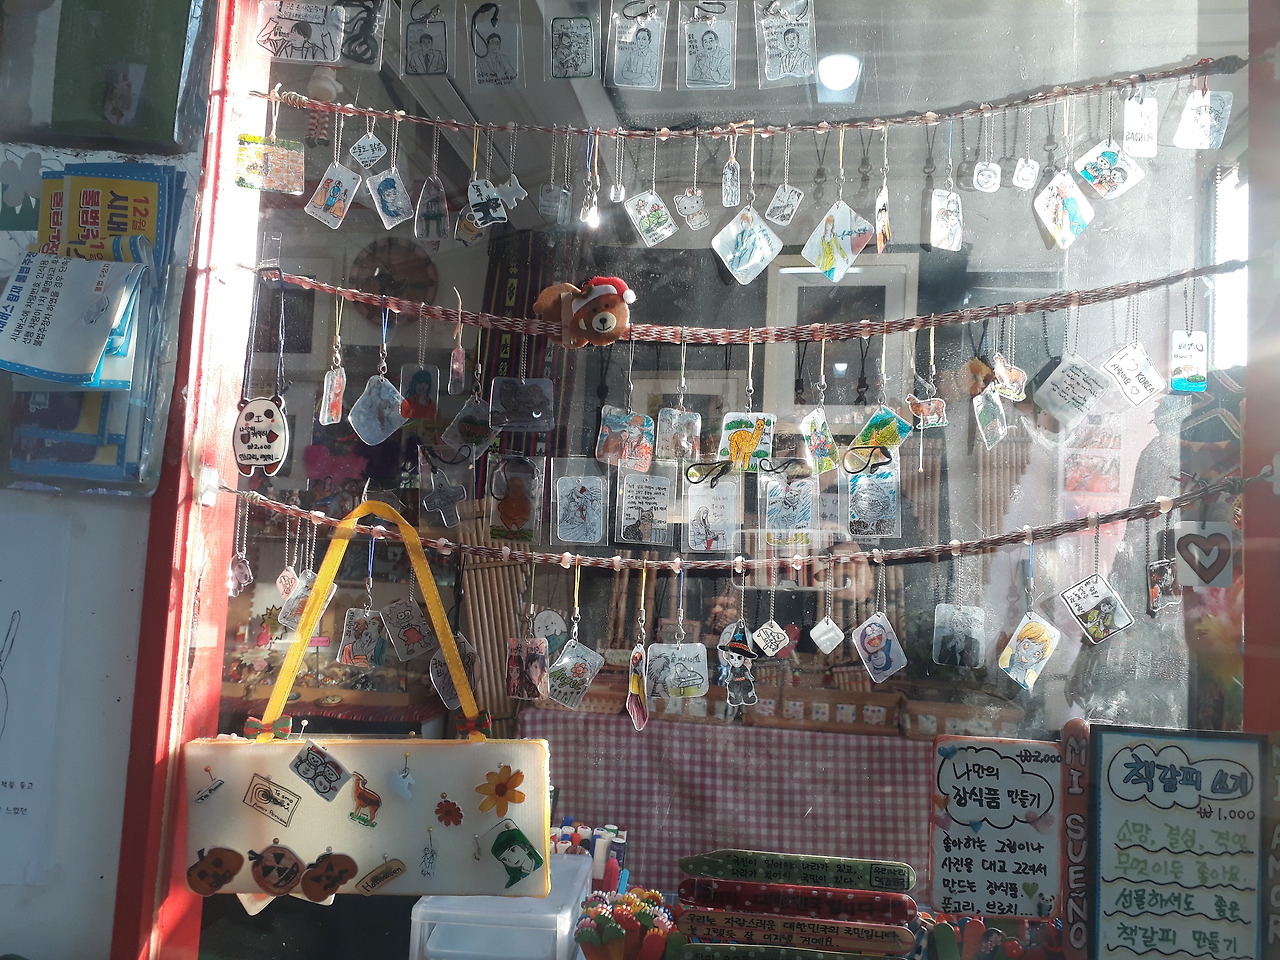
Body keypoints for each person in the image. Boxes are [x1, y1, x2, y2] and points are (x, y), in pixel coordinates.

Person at [1001, 619, 1054, 689]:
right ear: (1018, 643)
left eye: (1036, 654)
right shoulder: (1001, 662)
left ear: (1039, 660)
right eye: (1026, 645)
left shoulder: (1029, 686)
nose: (1029, 655)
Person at [816, 215, 847, 280]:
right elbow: (820, 253)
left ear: (832, 226)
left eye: (831, 224)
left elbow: (839, 248)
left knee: (830, 280)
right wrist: (817, 264)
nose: (829, 226)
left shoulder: (834, 237)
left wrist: (844, 257)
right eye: (828, 224)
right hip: (824, 265)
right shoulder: (822, 238)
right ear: (825, 225)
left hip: (832, 263)